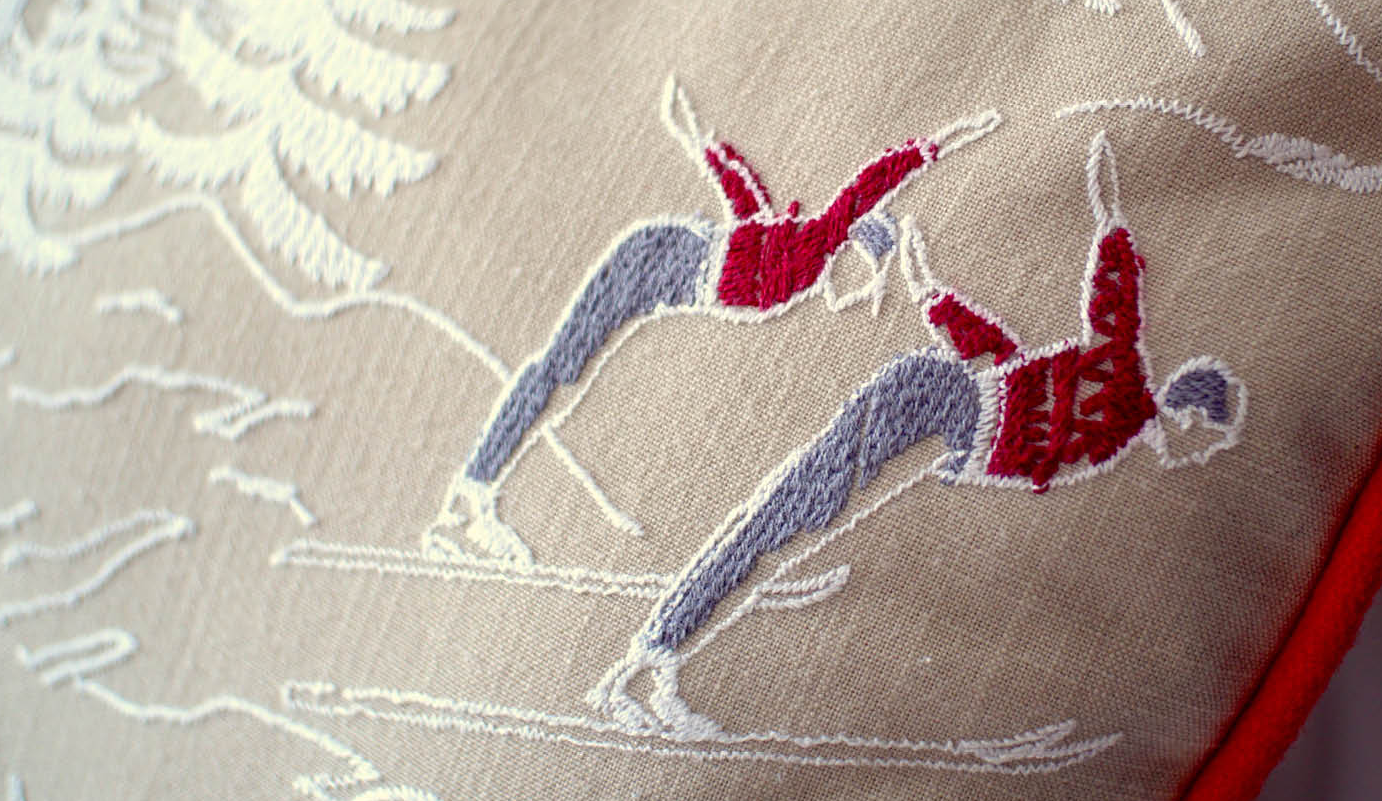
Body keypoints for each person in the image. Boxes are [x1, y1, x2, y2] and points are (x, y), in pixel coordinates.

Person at [588, 132, 1246, 737]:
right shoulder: (1124, 384)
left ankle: (656, 659)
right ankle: (649, 663)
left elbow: (1012, 366)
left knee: (791, 517)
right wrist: (1110, 202)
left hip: (941, 419)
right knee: (786, 517)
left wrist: (933, 295)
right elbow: (1111, 289)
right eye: (1207, 437)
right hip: (937, 416)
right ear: (1190, 412)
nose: (1200, 452)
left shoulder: (1119, 418)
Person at [424, 76, 999, 564]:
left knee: (565, 375)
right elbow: (874, 182)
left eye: (869, 279)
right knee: (562, 372)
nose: (859, 289)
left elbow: (746, 204)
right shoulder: (816, 244)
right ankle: (471, 495)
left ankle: (473, 494)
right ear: (850, 242)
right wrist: (937, 146)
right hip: (655, 260)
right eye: (864, 268)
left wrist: (704, 145)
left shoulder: (791, 259)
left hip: (662, 276)